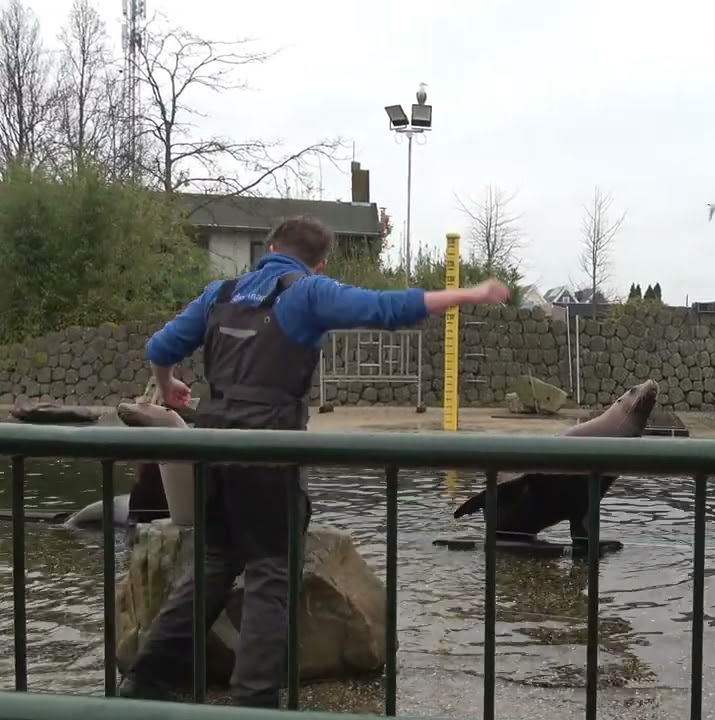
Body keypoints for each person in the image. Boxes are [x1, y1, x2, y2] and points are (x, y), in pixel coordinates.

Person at [119, 216, 510, 707]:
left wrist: (165, 385)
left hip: (212, 449)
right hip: (269, 452)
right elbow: (384, 308)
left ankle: (143, 679)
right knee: (270, 574)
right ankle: (253, 702)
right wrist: (468, 295)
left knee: (212, 565)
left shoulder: (219, 293)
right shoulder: (306, 293)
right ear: (320, 262)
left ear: (269, 246)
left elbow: (160, 347)